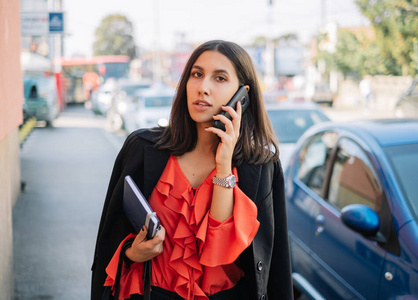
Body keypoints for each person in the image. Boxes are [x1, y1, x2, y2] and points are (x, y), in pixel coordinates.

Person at [91, 40, 293, 300]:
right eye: (196, 75)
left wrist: (223, 164)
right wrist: (133, 254)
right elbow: (108, 240)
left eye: (219, 78)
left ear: (242, 94)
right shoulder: (141, 148)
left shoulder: (260, 166)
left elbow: (270, 265)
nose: (203, 87)